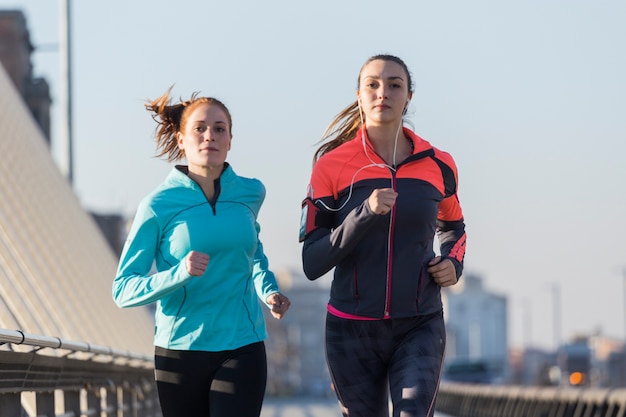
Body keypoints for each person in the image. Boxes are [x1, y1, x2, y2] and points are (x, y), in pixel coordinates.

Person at [299, 54, 467, 417]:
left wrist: (453, 262)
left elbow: (453, 226)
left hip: (419, 321)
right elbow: (312, 261)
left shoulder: (439, 164)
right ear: (359, 95)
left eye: (394, 85)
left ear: (409, 96)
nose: (383, 92)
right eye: (373, 84)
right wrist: (365, 214)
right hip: (351, 328)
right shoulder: (331, 165)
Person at [112, 88, 290, 417]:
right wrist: (178, 273)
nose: (210, 136)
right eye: (200, 128)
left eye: (219, 128)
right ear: (181, 140)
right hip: (180, 349)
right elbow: (123, 290)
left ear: (230, 140)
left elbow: (253, 253)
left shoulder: (250, 193)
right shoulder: (157, 206)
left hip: (243, 342)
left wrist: (269, 291)